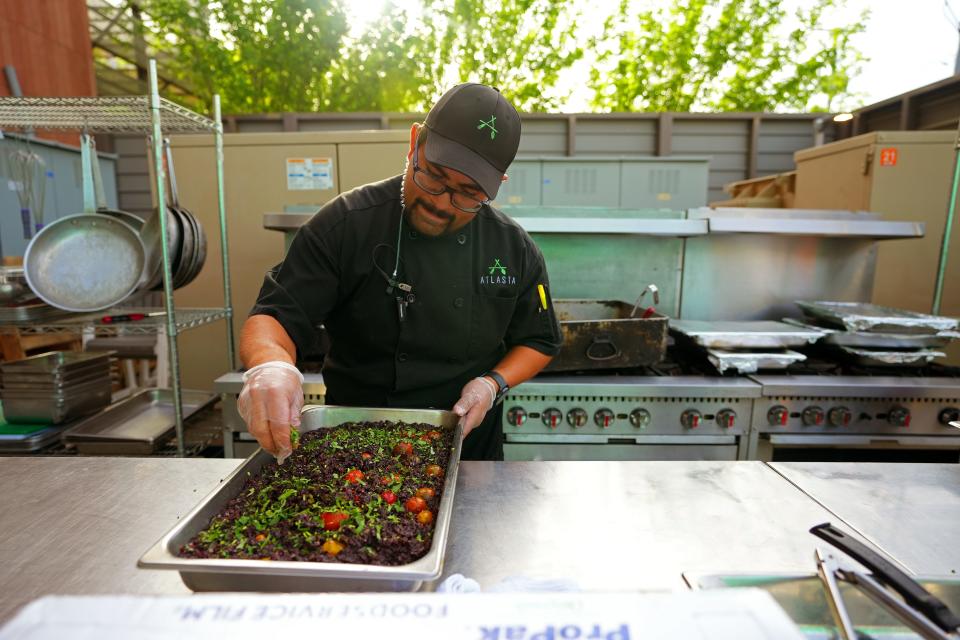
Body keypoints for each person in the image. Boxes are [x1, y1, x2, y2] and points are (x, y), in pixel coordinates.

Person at [237, 83, 562, 461]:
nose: (442, 202)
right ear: (413, 144)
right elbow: (274, 317)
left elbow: (540, 340)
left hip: (470, 455)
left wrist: (492, 384)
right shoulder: (346, 225)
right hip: (355, 452)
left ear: (496, 187)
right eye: (435, 177)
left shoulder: (514, 248)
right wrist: (271, 368)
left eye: (468, 193)